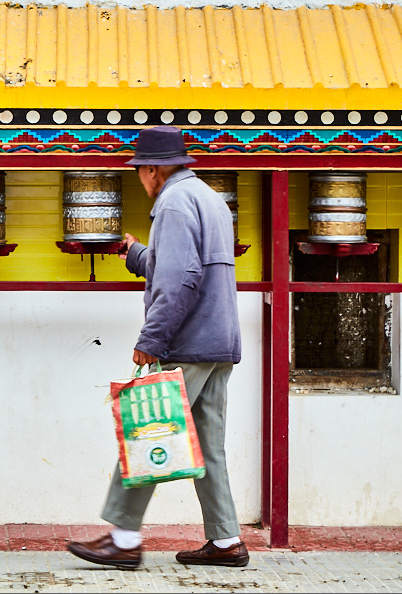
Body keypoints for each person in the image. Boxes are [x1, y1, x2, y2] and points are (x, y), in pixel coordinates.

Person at [66, 125, 246, 570]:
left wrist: (152, 339)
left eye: (139, 172)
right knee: (208, 444)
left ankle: (124, 539)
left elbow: (179, 279)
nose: (140, 180)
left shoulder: (172, 202)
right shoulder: (208, 198)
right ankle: (226, 542)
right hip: (218, 342)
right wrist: (137, 254)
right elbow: (184, 266)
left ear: (151, 169)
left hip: (187, 341)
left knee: (147, 428)